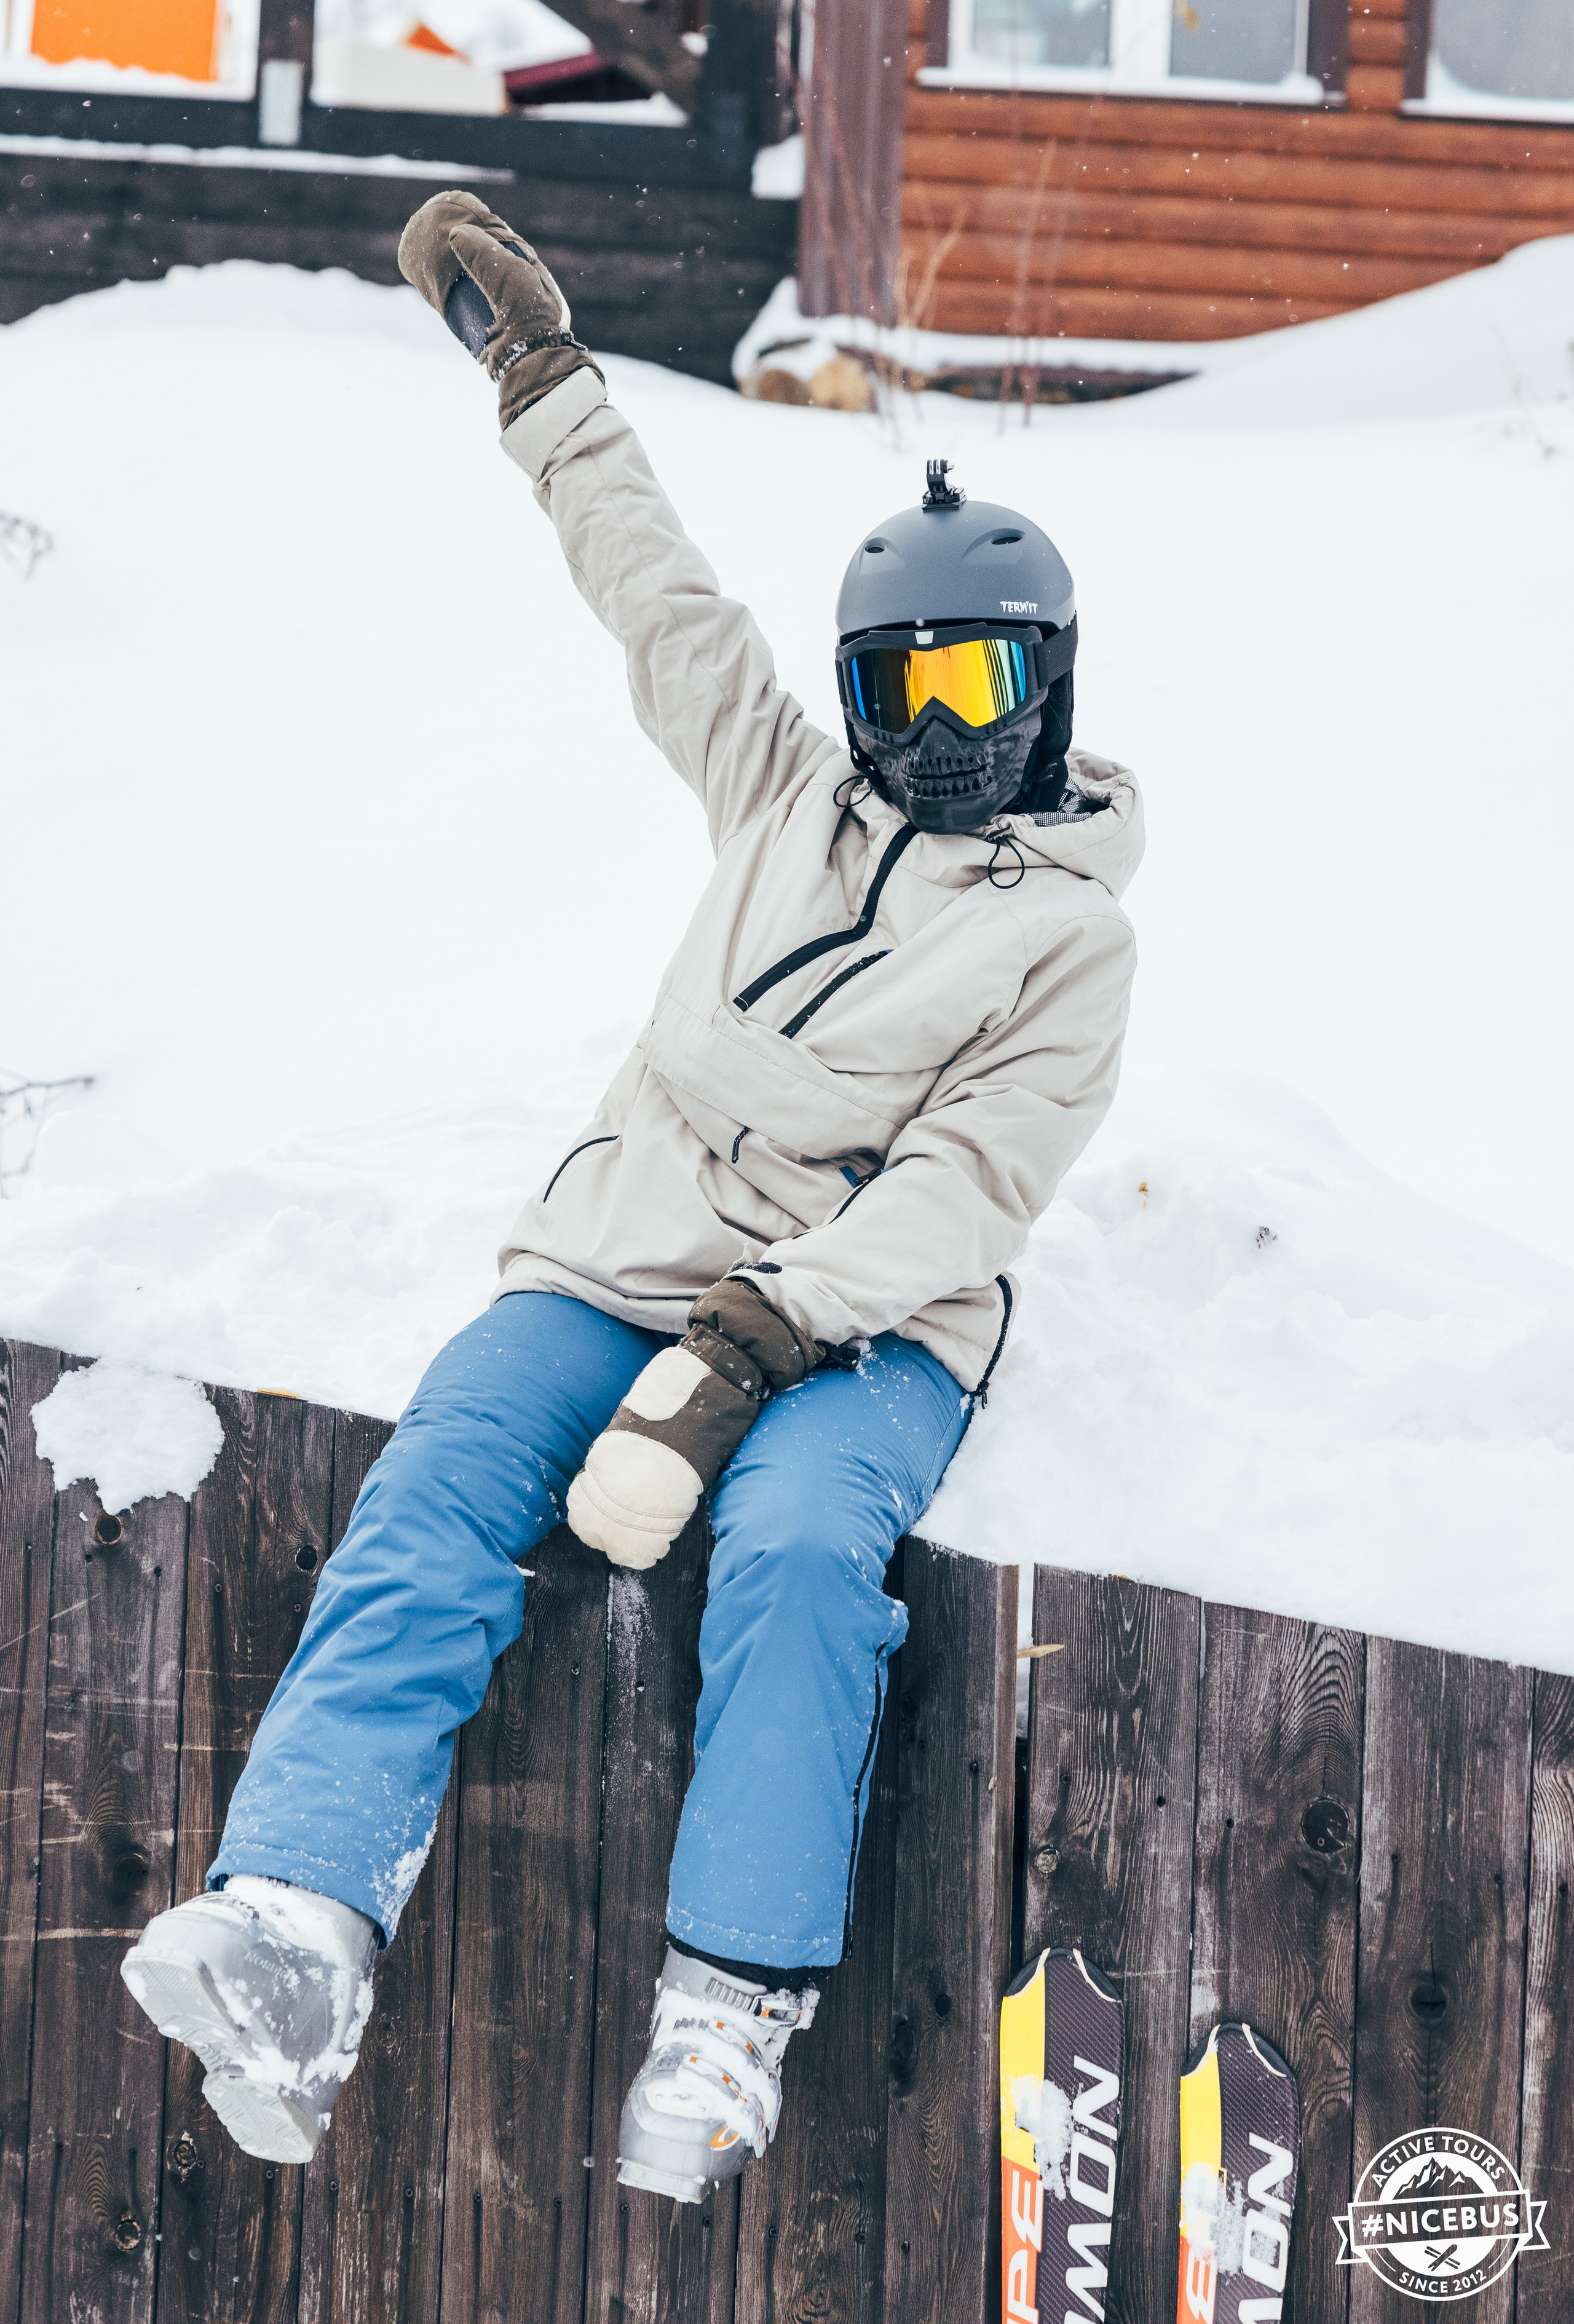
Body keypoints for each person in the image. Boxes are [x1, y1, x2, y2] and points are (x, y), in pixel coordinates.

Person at [120, 193, 1144, 2207]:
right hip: (635, 1237)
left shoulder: (1072, 944)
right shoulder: (780, 786)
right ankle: (303, 1930)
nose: (946, 732)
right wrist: (542, 378)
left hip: (859, 1317)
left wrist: (758, 1342)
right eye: (908, 689)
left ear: (1050, 685)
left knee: (786, 1552)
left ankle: (727, 1998)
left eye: (985, 686)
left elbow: (971, 1180)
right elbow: (657, 590)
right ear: (860, 699)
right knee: (442, 1473)